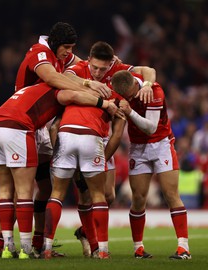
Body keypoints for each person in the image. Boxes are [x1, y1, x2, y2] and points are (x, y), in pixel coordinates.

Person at [0, 22, 112, 258]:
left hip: (37, 125)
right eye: (66, 47)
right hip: (23, 122)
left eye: (71, 48)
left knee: (45, 186)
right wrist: (90, 85)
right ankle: (2, 246)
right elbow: (54, 79)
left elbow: (83, 63)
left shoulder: (62, 56)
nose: (69, 52)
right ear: (56, 43)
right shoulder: (40, 51)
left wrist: (112, 63)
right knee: (19, 191)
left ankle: (37, 244)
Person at [63, 41, 156, 257]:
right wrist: (88, 83)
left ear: (111, 63)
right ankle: (96, 244)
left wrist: (148, 85)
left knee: (108, 195)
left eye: (102, 69)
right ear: (88, 60)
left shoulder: (118, 69)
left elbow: (149, 71)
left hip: (103, 137)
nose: (97, 72)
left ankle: (85, 232)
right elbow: (64, 77)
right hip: (80, 133)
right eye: (94, 67)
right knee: (88, 195)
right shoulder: (81, 69)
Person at [111, 70, 191, 260]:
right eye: (125, 97)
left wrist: (129, 111)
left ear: (134, 84)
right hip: (138, 148)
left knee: (171, 194)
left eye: (130, 94)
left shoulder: (154, 91)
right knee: (138, 198)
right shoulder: (124, 88)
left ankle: (183, 248)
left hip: (161, 144)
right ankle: (138, 248)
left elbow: (151, 128)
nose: (128, 98)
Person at [41, 84, 125, 259]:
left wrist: (58, 157)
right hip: (91, 137)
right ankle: (101, 250)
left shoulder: (74, 94)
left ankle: (46, 247)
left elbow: (54, 128)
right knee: (98, 195)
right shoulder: (115, 99)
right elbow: (117, 135)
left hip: (65, 136)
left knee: (57, 194)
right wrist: (99, 163)